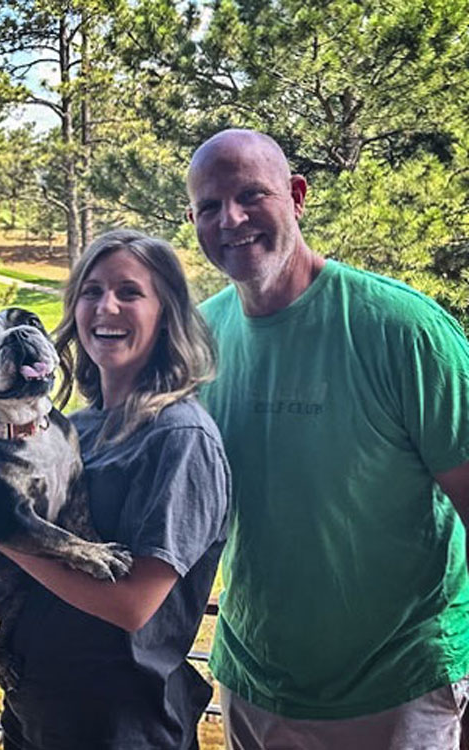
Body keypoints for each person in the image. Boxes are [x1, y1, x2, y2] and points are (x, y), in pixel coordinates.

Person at [186, 128, 469, 748]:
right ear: (193, 218)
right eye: (209, 206)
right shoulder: (199, 341)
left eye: (250, 195)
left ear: (296, 195)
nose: (230, 219)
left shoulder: (402, 330)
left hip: (401, 689)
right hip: (255, 686)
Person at [0, 228, 230, 749]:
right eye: (91, 291)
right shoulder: (73, 429)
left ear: (166, 313)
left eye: (130, 292)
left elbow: (132, 606)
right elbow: (41, 586)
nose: (107, 307)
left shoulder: (180, 439)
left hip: (120, 724)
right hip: (37, 711)